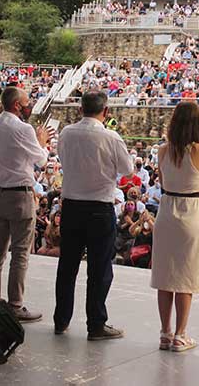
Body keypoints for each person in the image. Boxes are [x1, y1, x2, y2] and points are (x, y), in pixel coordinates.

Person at [55, 91, 133, 341]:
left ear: (80, 110)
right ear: (106, 111)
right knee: (99, 269)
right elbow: (128, 170)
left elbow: (61, 158)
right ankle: (96, 324)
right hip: (100, 208)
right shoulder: (110, 137)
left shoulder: (66, 133)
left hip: (72, 206)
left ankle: (61, 319)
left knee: (67, 265)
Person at [151, 100, 199, 353]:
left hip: (167, 210)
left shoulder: (163, 150)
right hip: (190, 211)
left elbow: (164, 179)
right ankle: (180, 334)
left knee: (165, 275)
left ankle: (165, 332)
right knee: (186, 276)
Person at [0, 87, 50, 322]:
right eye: (26, 102)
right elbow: (41, 160)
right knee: (20, 252)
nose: (29, 105)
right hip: (20, 195)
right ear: (16, 105)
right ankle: (15, 305)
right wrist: (42, 142)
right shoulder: (23, 129)